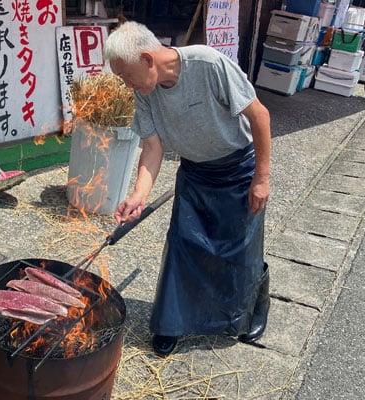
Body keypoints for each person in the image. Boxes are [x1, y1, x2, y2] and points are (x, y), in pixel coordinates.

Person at [104, 21, 272, 356]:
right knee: (183, 245)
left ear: (148, 59)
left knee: (239, 250)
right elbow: (153, 149)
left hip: (238, 169)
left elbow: (260, 116)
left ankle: (251, 309)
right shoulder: (145, 92)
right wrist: (139, 196)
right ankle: (172, 324)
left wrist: (261, 178)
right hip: (195, 173)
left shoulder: (208, 64)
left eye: (126, 75)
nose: (126, 84)